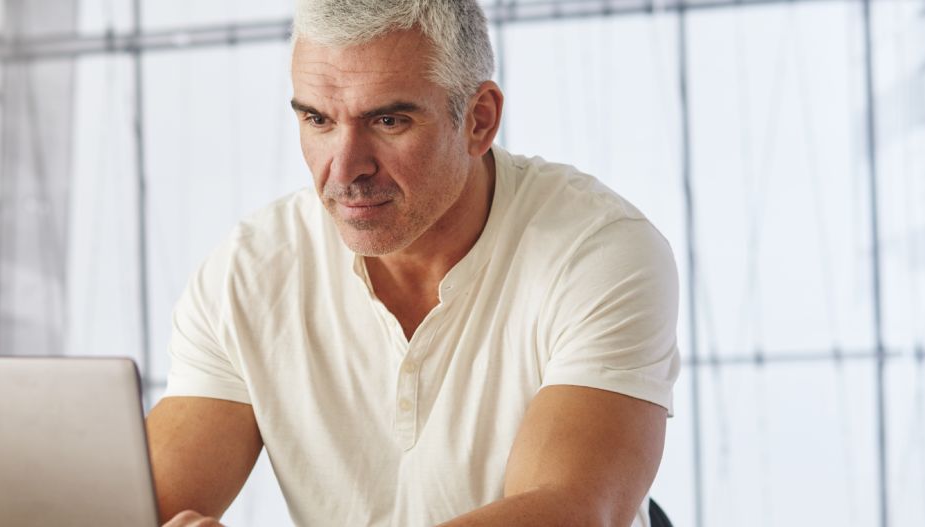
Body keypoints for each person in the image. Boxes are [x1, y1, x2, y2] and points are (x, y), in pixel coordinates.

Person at [147, 1, 680, 525]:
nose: (346, 167)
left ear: (479, 120)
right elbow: (134, 509)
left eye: (388, 120)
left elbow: (571, 511)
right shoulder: (248, 275)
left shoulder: (598, 251)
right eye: (318, 119)